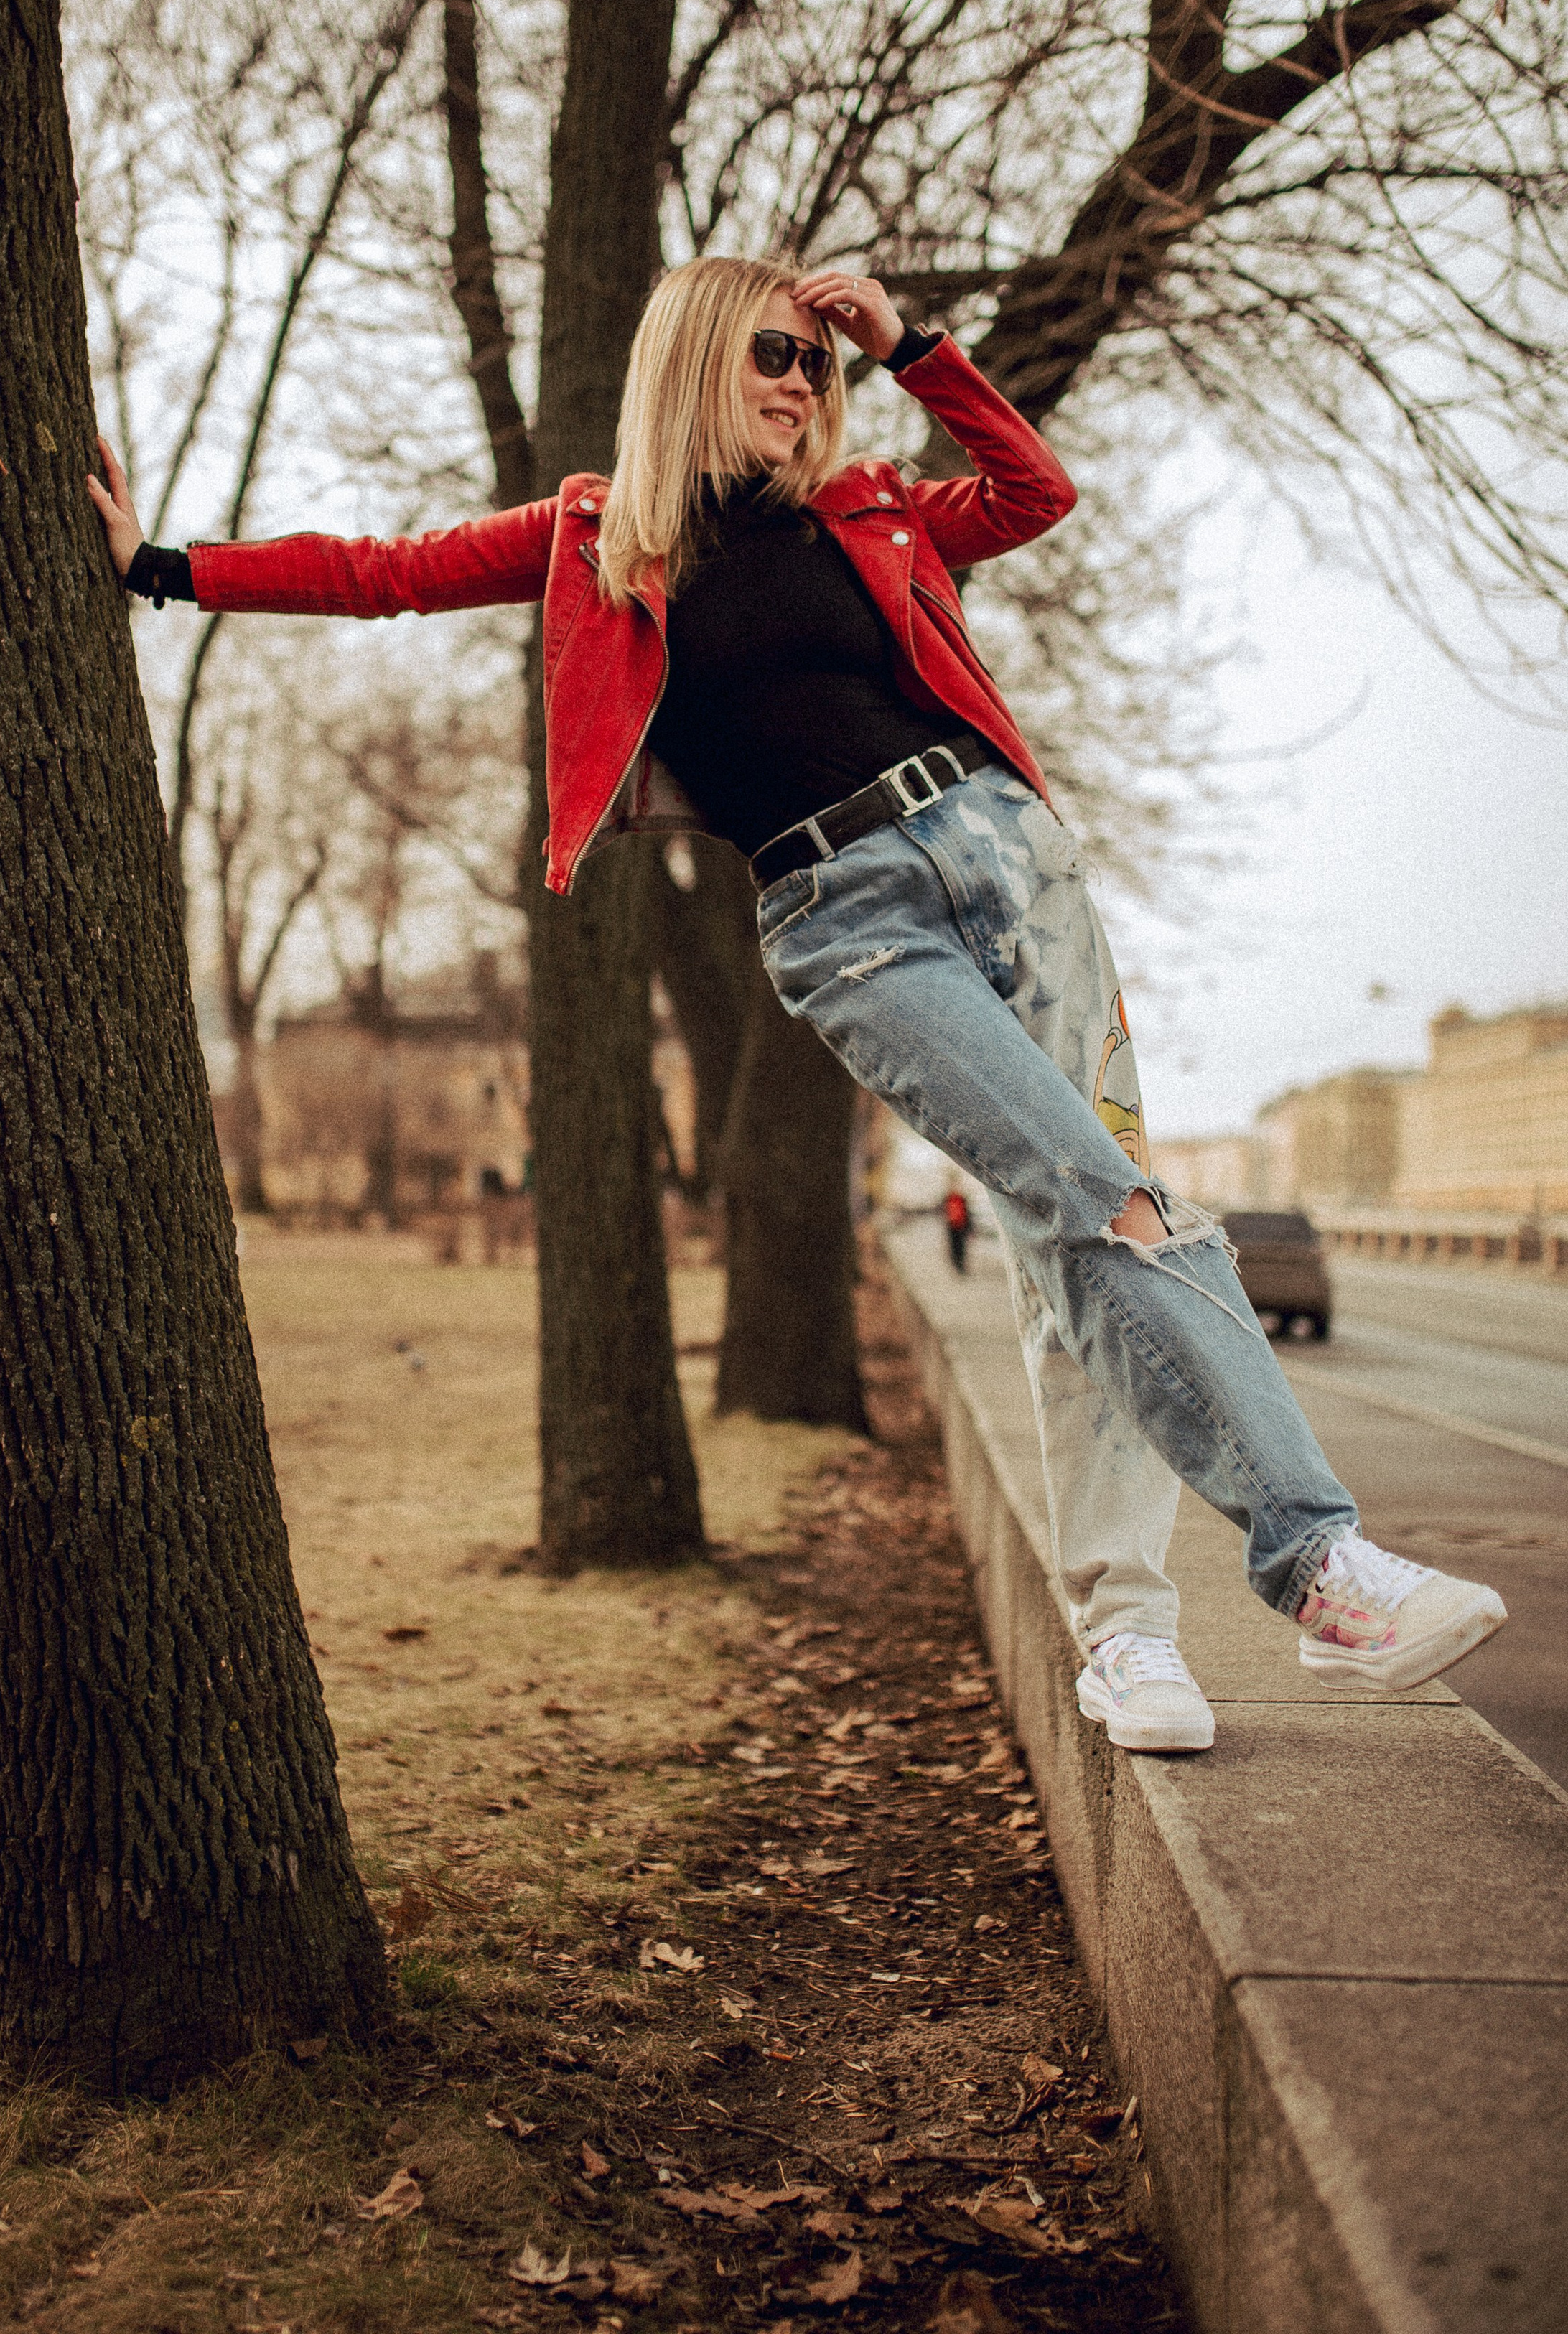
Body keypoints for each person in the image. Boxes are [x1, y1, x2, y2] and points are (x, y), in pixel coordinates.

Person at [90, 256, 1506, 1755]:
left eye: (817, 366)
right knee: (1090, 1193)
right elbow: (382, 572)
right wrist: (159, 566)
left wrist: (911, 348)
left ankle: (1129, 1633)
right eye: (775, 352)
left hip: (1010, 862)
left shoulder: (871, 507)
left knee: (1097, 1222)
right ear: (694, 351)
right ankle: (1317, 1566)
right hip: (850, 922)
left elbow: (1033, 492)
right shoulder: (591, 536)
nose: (800, 382)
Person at [943, 1187, 971, 1275]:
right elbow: (944, 1212)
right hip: (952, 1227)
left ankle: (961, 1265)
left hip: (961, 1226)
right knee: (954, 1247)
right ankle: (957, 1265)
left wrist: (969, 1226)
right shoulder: (948, 1198)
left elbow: (966, 1213)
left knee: (961, 1247)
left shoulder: (961, 1199)